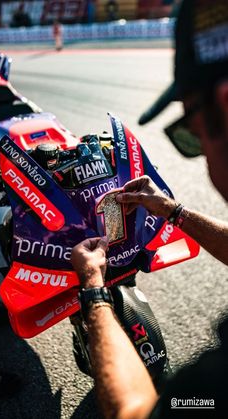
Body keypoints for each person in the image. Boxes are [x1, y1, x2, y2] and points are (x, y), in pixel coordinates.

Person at [71, 0, 228, 417]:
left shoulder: (212, 392)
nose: (200, 153)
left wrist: (93, 292)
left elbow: (134, 413)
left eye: (189, 130)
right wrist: (174, 212)